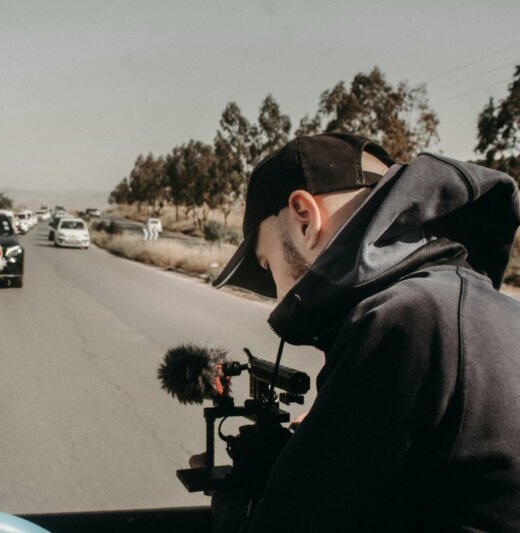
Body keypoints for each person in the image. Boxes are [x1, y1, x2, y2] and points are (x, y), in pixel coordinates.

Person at [204, 133, 520, 531]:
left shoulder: (407, 321)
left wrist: (231, 496)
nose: (277, 297)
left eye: (267, 267)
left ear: (304, 217)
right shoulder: (460, 304)